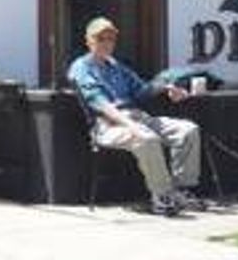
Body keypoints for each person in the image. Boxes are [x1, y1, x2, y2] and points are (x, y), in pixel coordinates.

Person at [68, 17, 206, 216]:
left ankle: (181, 189)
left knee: (187, 130)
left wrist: (166, 88)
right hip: (108, 125)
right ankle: (162, 196)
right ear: (89, 41)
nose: (107, 44)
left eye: (111, 39)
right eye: (101, 39)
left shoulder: (116, 66)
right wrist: (130, 125)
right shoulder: (82, 68)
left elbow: (142, 90)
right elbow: (101, 104)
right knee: (147, 138)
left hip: (138, 116)